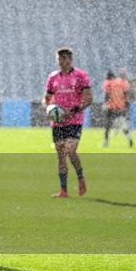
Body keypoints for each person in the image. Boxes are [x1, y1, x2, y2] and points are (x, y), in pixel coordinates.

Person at [42, 47, 92, 198]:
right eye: (59, 58)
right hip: (58, 122)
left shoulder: (80, 76)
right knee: (61, 155)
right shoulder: (53, 77)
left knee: (70, 149)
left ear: (70, 59)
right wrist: (48, 109)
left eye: (64, 58)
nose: (61, 61)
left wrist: (73, 110)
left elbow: (89, 98)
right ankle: (63, 190)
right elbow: (46, 99)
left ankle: (80, 177)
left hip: (74, 120)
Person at [102, 71, 133, 148]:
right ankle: (129, 137)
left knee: (107, 125)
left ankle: (106, 142)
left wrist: (105, 103)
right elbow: (126, 94)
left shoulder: (108, 83)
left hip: (111, 107)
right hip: (121, 107)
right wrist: (126, 105)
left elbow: (107, 94)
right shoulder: (121, 82)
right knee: (122, 125)